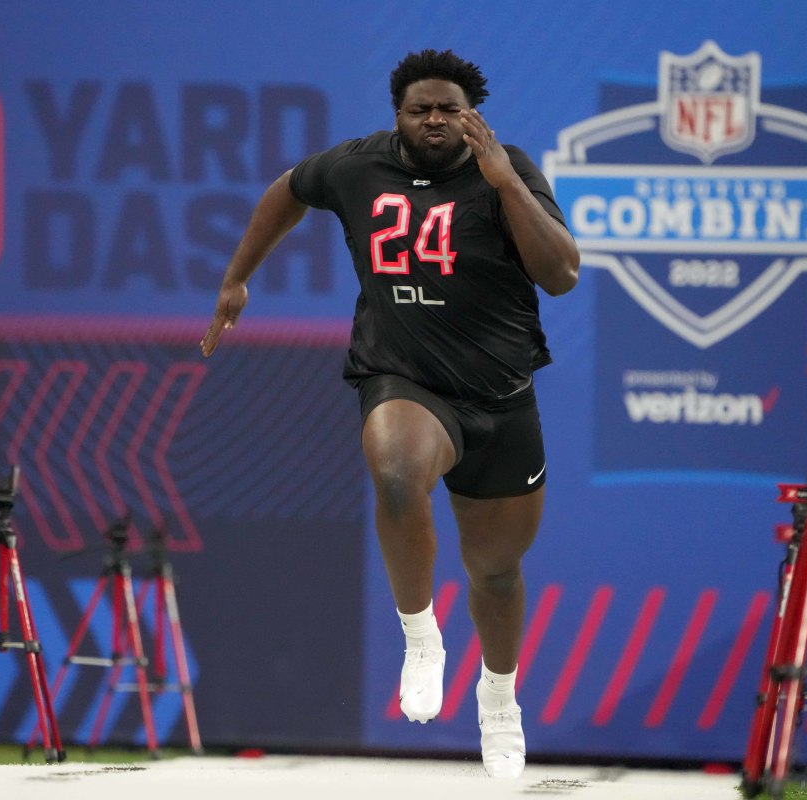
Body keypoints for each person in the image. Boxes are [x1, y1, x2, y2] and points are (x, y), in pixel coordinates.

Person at [200, 48, 579, 778]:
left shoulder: (509, 166)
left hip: (501, 395)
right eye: (419, 109)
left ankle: (499, 700)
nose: (434, 120)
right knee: (399, 475)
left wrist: (502, 182)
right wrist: (236, 277)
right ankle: (420, 635)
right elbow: (288, 189)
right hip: (404, 377)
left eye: (449, 109)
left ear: (474, 116)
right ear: (398, 115)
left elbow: (561, 274)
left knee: (496, 572)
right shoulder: (357, 165)